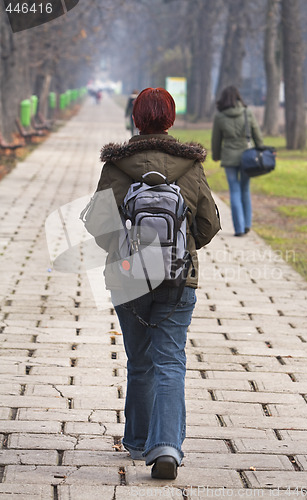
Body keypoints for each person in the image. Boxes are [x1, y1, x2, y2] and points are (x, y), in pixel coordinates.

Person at [95, 88, 220, 479]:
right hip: (178, 279)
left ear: (136, 119)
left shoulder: (117, 165)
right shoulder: (189, 165)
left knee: (139, 361)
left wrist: (130, 253)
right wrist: (179, 249)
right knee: (170, 360)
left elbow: (98, 225)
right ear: (171, 120)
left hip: (128, 280)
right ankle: (165, 446)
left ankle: (136, 442)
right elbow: (209, 224)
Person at [211, 85, 264, 236]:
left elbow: (216, 139)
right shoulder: (247, 113)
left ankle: (239, 228)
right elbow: (256, 133)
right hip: (247, 157)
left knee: (234, 191)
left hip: (229, 157)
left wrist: (216, 155)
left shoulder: (220, 116)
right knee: (245, 189)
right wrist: (260, 148)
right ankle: (247, 224)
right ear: (238, 97)